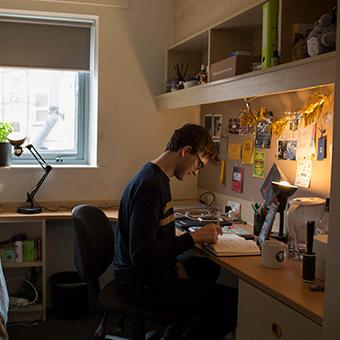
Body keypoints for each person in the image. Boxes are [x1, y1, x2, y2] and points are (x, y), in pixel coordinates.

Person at [113, 124, 238, 340]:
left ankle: (176, 330)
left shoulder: (155, 176)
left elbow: (156, 240)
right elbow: (141, 254)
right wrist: (194, 238)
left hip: (144, 273)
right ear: (186, 151)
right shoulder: (151, 187)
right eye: (199, 163)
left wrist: (175, 263)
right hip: (139, 283)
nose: (196, 171)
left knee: (208, 269)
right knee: (232, 303)